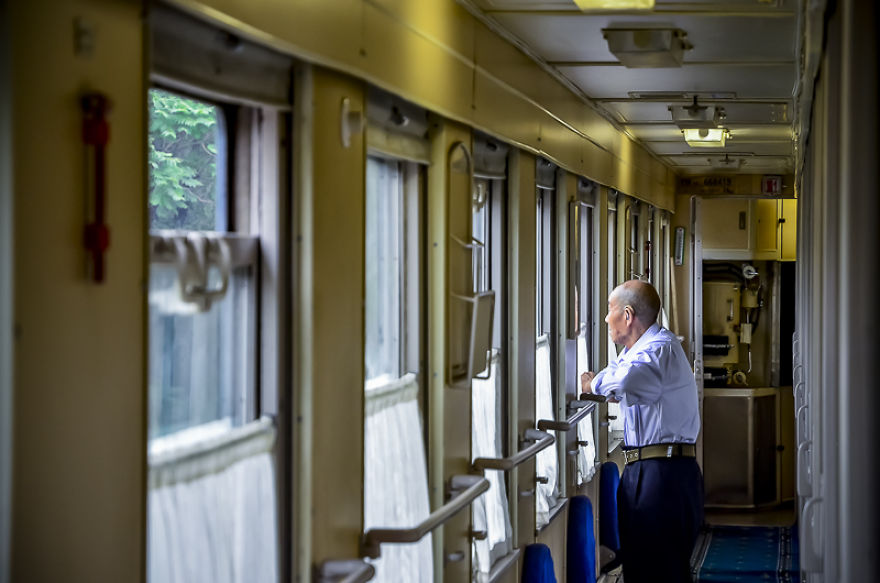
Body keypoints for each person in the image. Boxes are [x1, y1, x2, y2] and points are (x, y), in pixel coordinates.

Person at [581, 280, 703, 583]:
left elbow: (620, 383)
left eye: (609, 311)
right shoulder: (640, 351)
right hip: (653, 470)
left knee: (658, 570)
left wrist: (590, 385)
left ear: (627, 315)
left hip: (662, 475)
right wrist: (607, 382)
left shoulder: (658, 349)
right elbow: (620, 376)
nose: (606, 318)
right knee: (644, 568)